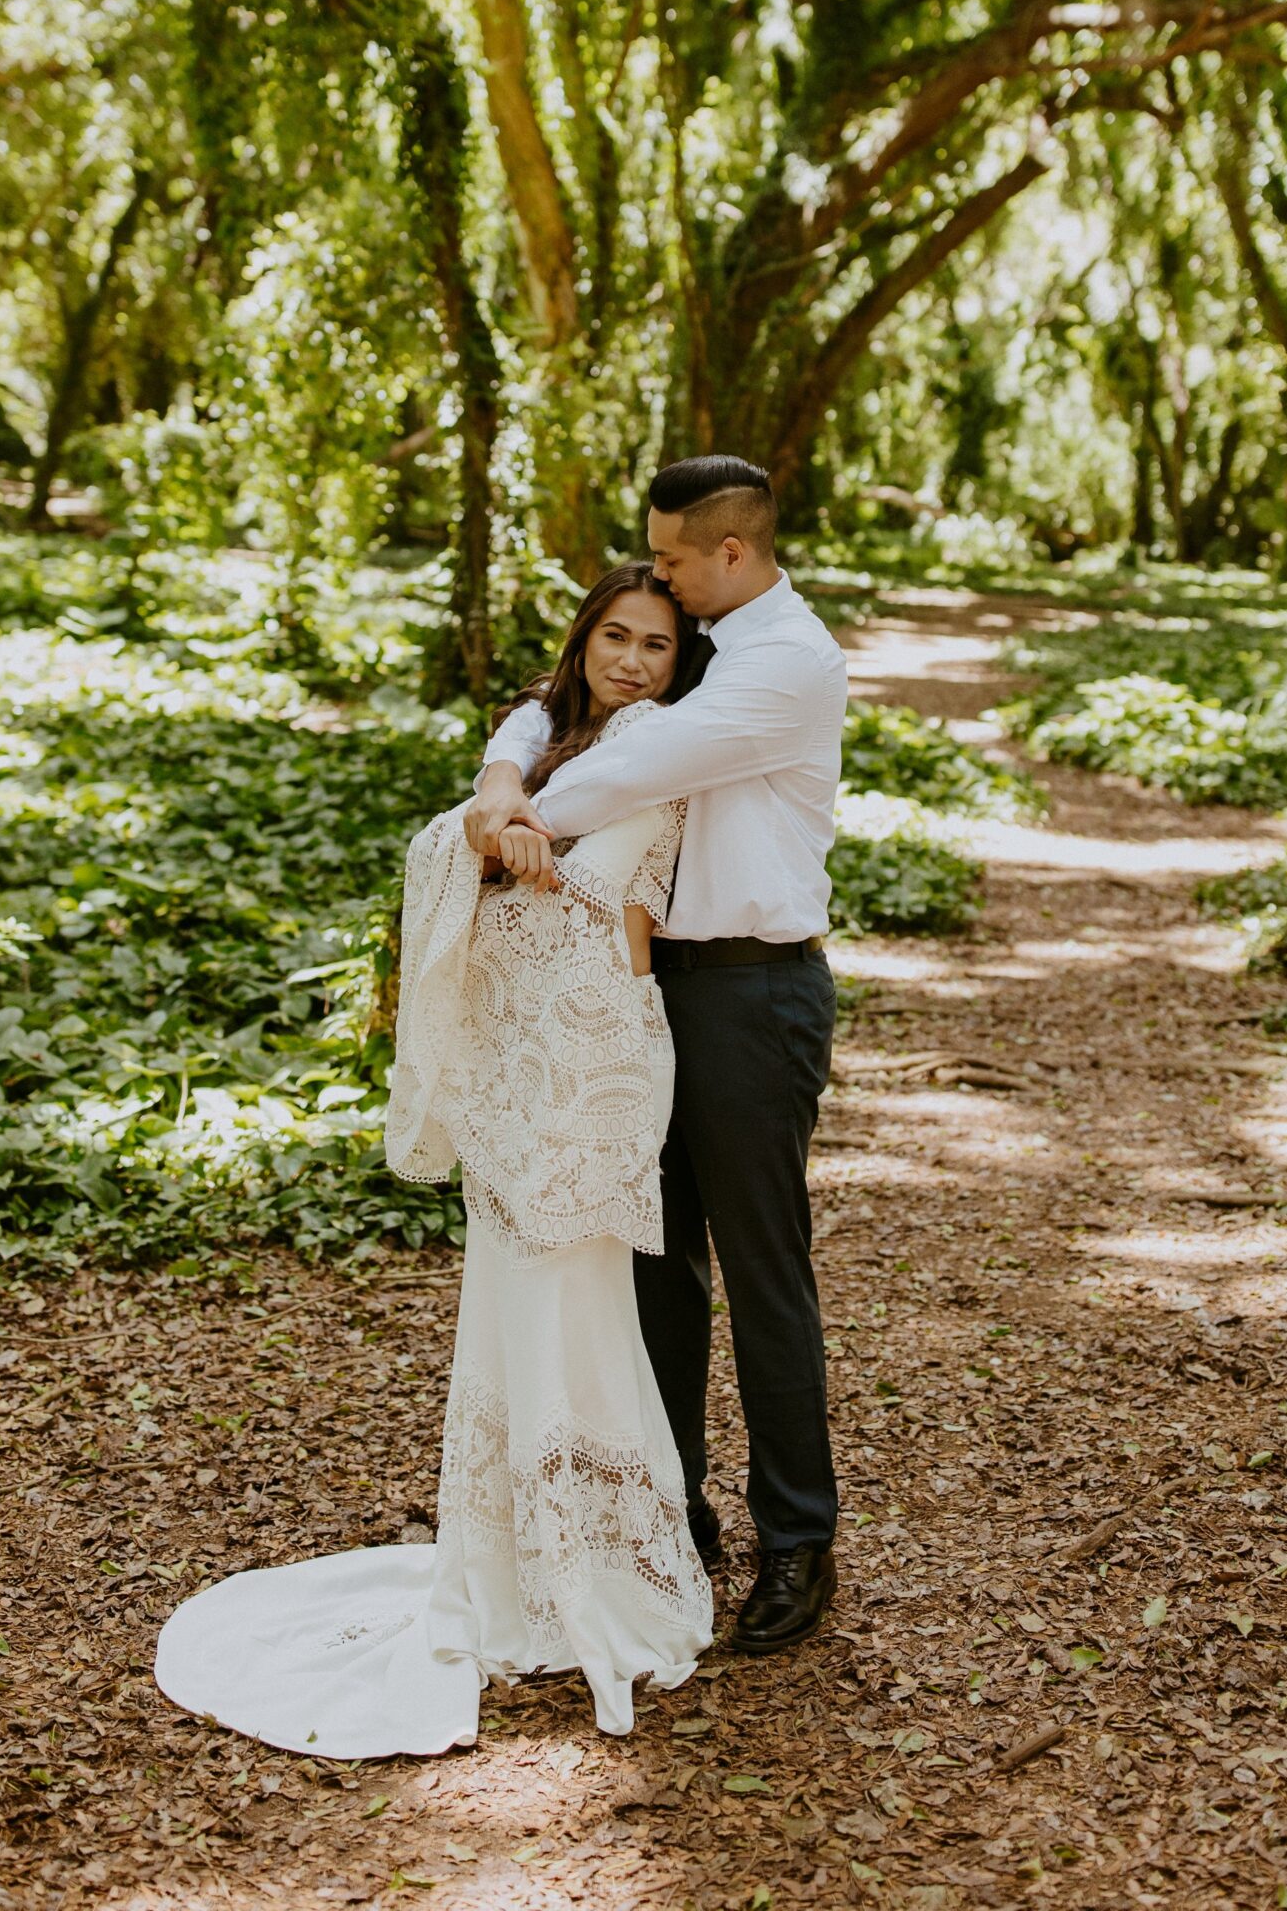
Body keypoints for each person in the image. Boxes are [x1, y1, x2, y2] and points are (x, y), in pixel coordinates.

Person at [155, 563, 713, 1758]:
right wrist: (498, 813)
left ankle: (594, 1561)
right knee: (514, 1305)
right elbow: (496, 819)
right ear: (584, 640)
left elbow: (614, 907)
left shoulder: (659, 749)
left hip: (597, 1058)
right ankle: (513, 1560)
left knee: (585, 1300)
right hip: (516, 1064)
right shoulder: (546, 733)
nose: (632, 659)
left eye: (656, 644)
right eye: (614, 636)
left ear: (680, 662)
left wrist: (511, 826)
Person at [468, 456, 847, 1654]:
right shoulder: (714, 635)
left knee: (762, 1270)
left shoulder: (786, 663)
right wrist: (501, 764)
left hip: (751, 991)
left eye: (675, 559)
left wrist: (516, 809)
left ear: (728, 553)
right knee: (655, 1263)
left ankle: (799, 1539)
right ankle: (673, 1507)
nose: (665, 588)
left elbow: (636, 763)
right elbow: (563, 689)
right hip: (650, 997)